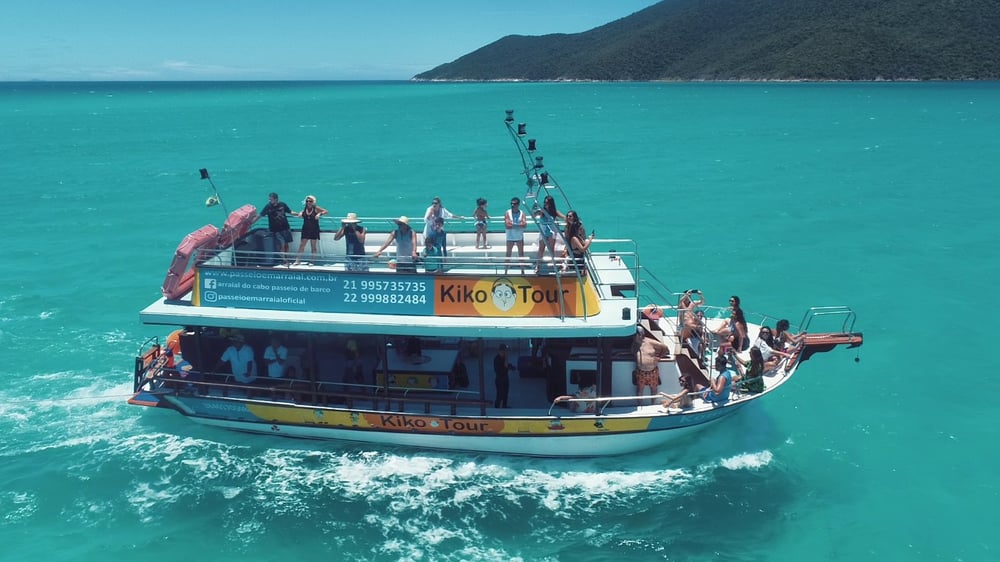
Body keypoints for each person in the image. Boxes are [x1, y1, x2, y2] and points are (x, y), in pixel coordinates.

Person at [254, 192, 294, 262]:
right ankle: (284, 260)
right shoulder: (268, 207)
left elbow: (290, 212)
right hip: (276, 230)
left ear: (276, 199)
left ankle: (286, 258)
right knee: (282, 243)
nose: (270, 201)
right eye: (269, 199)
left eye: (271, 199)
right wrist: (252, 222)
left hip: (285, 227)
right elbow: (260, 215)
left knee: (286, 244)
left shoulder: (282, 204)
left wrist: (299, 214)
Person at [634, 326, 670, 405]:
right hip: (641, 371)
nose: (634, 336)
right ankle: (639, 405)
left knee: (653, 388)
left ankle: (652, 404)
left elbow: (664, 347)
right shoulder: (635, 344)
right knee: (640, 389)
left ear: (640, 335)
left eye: (636, 334)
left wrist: (660, 357)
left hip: (652, 371)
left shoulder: (650, 342)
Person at [291, 195, 328, 265]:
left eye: (310, 201)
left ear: (313, 202)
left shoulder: (316, 208)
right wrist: (299, 214)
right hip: (305, 229)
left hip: (314, 229)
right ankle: (297, 260)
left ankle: (312, 261)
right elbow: (301, 214)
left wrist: (319, 214)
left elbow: (326, 211)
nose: (308, 203)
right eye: (307, 201)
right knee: (302, 245)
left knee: (313, 246)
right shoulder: (304, 209)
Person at [534, 195, 565, 273]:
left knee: (551, 249)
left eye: (547, 203)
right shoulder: (542, 211)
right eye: (544, 202)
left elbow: (564, 217)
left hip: (551, 232)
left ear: (551, 204)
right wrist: (537, 210)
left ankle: (553, 263)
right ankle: (537, 265)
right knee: (541, 249)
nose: (545, 204)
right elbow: (535, 214)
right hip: (543, 232)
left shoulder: (554, 212)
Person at [563, 210, 594, 274]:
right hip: (577, 260)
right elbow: (582, 249)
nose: (568, 217)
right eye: (568, 216)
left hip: (577, 255)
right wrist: (591, 239)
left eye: (570, 216)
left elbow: (583, 240)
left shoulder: (577, 237)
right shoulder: (574, 238)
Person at [504, 197, 527, 273]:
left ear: (518, 204)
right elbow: (507, 225)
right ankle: (506, 271)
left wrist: (513, 224)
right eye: (511, 204)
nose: (512, 205)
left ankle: (522, 271)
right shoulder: (508, 212)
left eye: (514, 204)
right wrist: (518, 225)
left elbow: (524, 225)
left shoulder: (522, 213)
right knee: (508, 254)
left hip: (519, 236)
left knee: (521, 254)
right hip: (510, 237)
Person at [493, 343, 515, 408]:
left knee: (505, 394)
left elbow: (507, 365)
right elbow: (502, 368)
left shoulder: (504, 357)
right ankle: (496, 407)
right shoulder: (497, 359)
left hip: (505, 378)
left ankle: (504, 405)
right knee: (499, 395)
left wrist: (511, 367)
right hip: (500, 379)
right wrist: (507, 368)